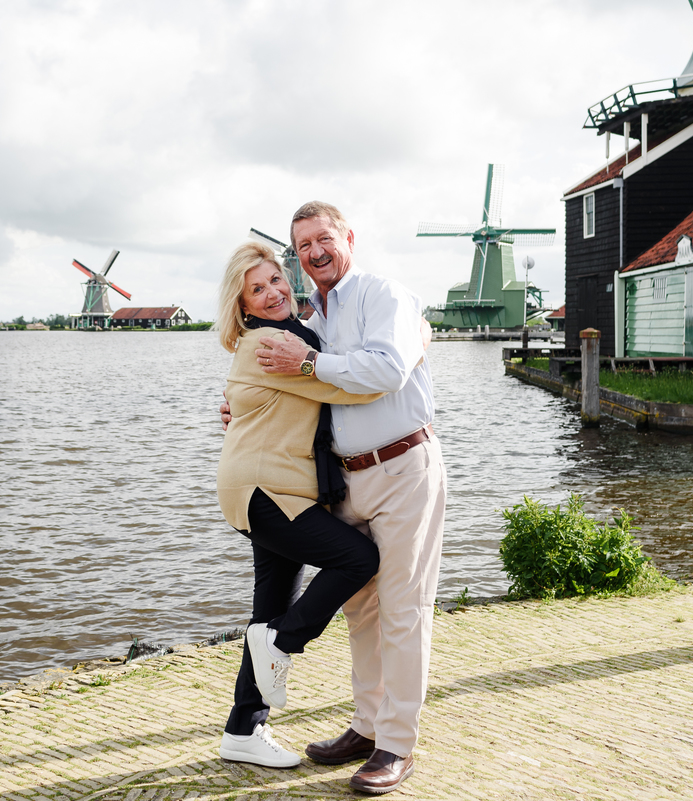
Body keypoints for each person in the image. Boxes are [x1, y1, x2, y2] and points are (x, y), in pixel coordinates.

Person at [223, 201, 445, 795]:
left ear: (348, 236)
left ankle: (397, 744)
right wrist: (242, 402)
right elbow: (300, 389)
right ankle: (367, 725)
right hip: (345, 479)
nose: (314, 252)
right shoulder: (311, 317)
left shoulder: (382, 294)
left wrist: (315, 362)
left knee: (403, 609)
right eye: (303, 247)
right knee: (361, 608)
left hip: (401, 465)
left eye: (323, 238)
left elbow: (387, 369)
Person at [214, 240, 388, 769]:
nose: (272, 293)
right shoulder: (272, 344)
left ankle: (244, 730)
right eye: (257, 289)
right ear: (242, 305)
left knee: (266, 610)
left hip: (270, 486)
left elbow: (318, 361)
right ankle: (285, 644)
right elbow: (352, 391)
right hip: (268, 491)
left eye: (275, 280)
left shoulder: (292, 336)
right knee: (358, 559)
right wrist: (409, 354)